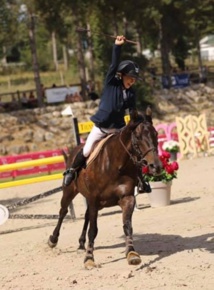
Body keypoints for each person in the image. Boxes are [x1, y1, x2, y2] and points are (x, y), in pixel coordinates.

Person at [63, 35, 141, 186]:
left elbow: (133, 111)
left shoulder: (131, 93)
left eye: (134, 79)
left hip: (118, 128)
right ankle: (71, 171)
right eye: (130, 77)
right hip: (101, 126)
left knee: (131, 150)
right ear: (122, 75)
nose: (132, 81)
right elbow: (113, 65)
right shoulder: (112, 83)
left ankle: (140, 178)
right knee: (86, 151)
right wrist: (117, 46)